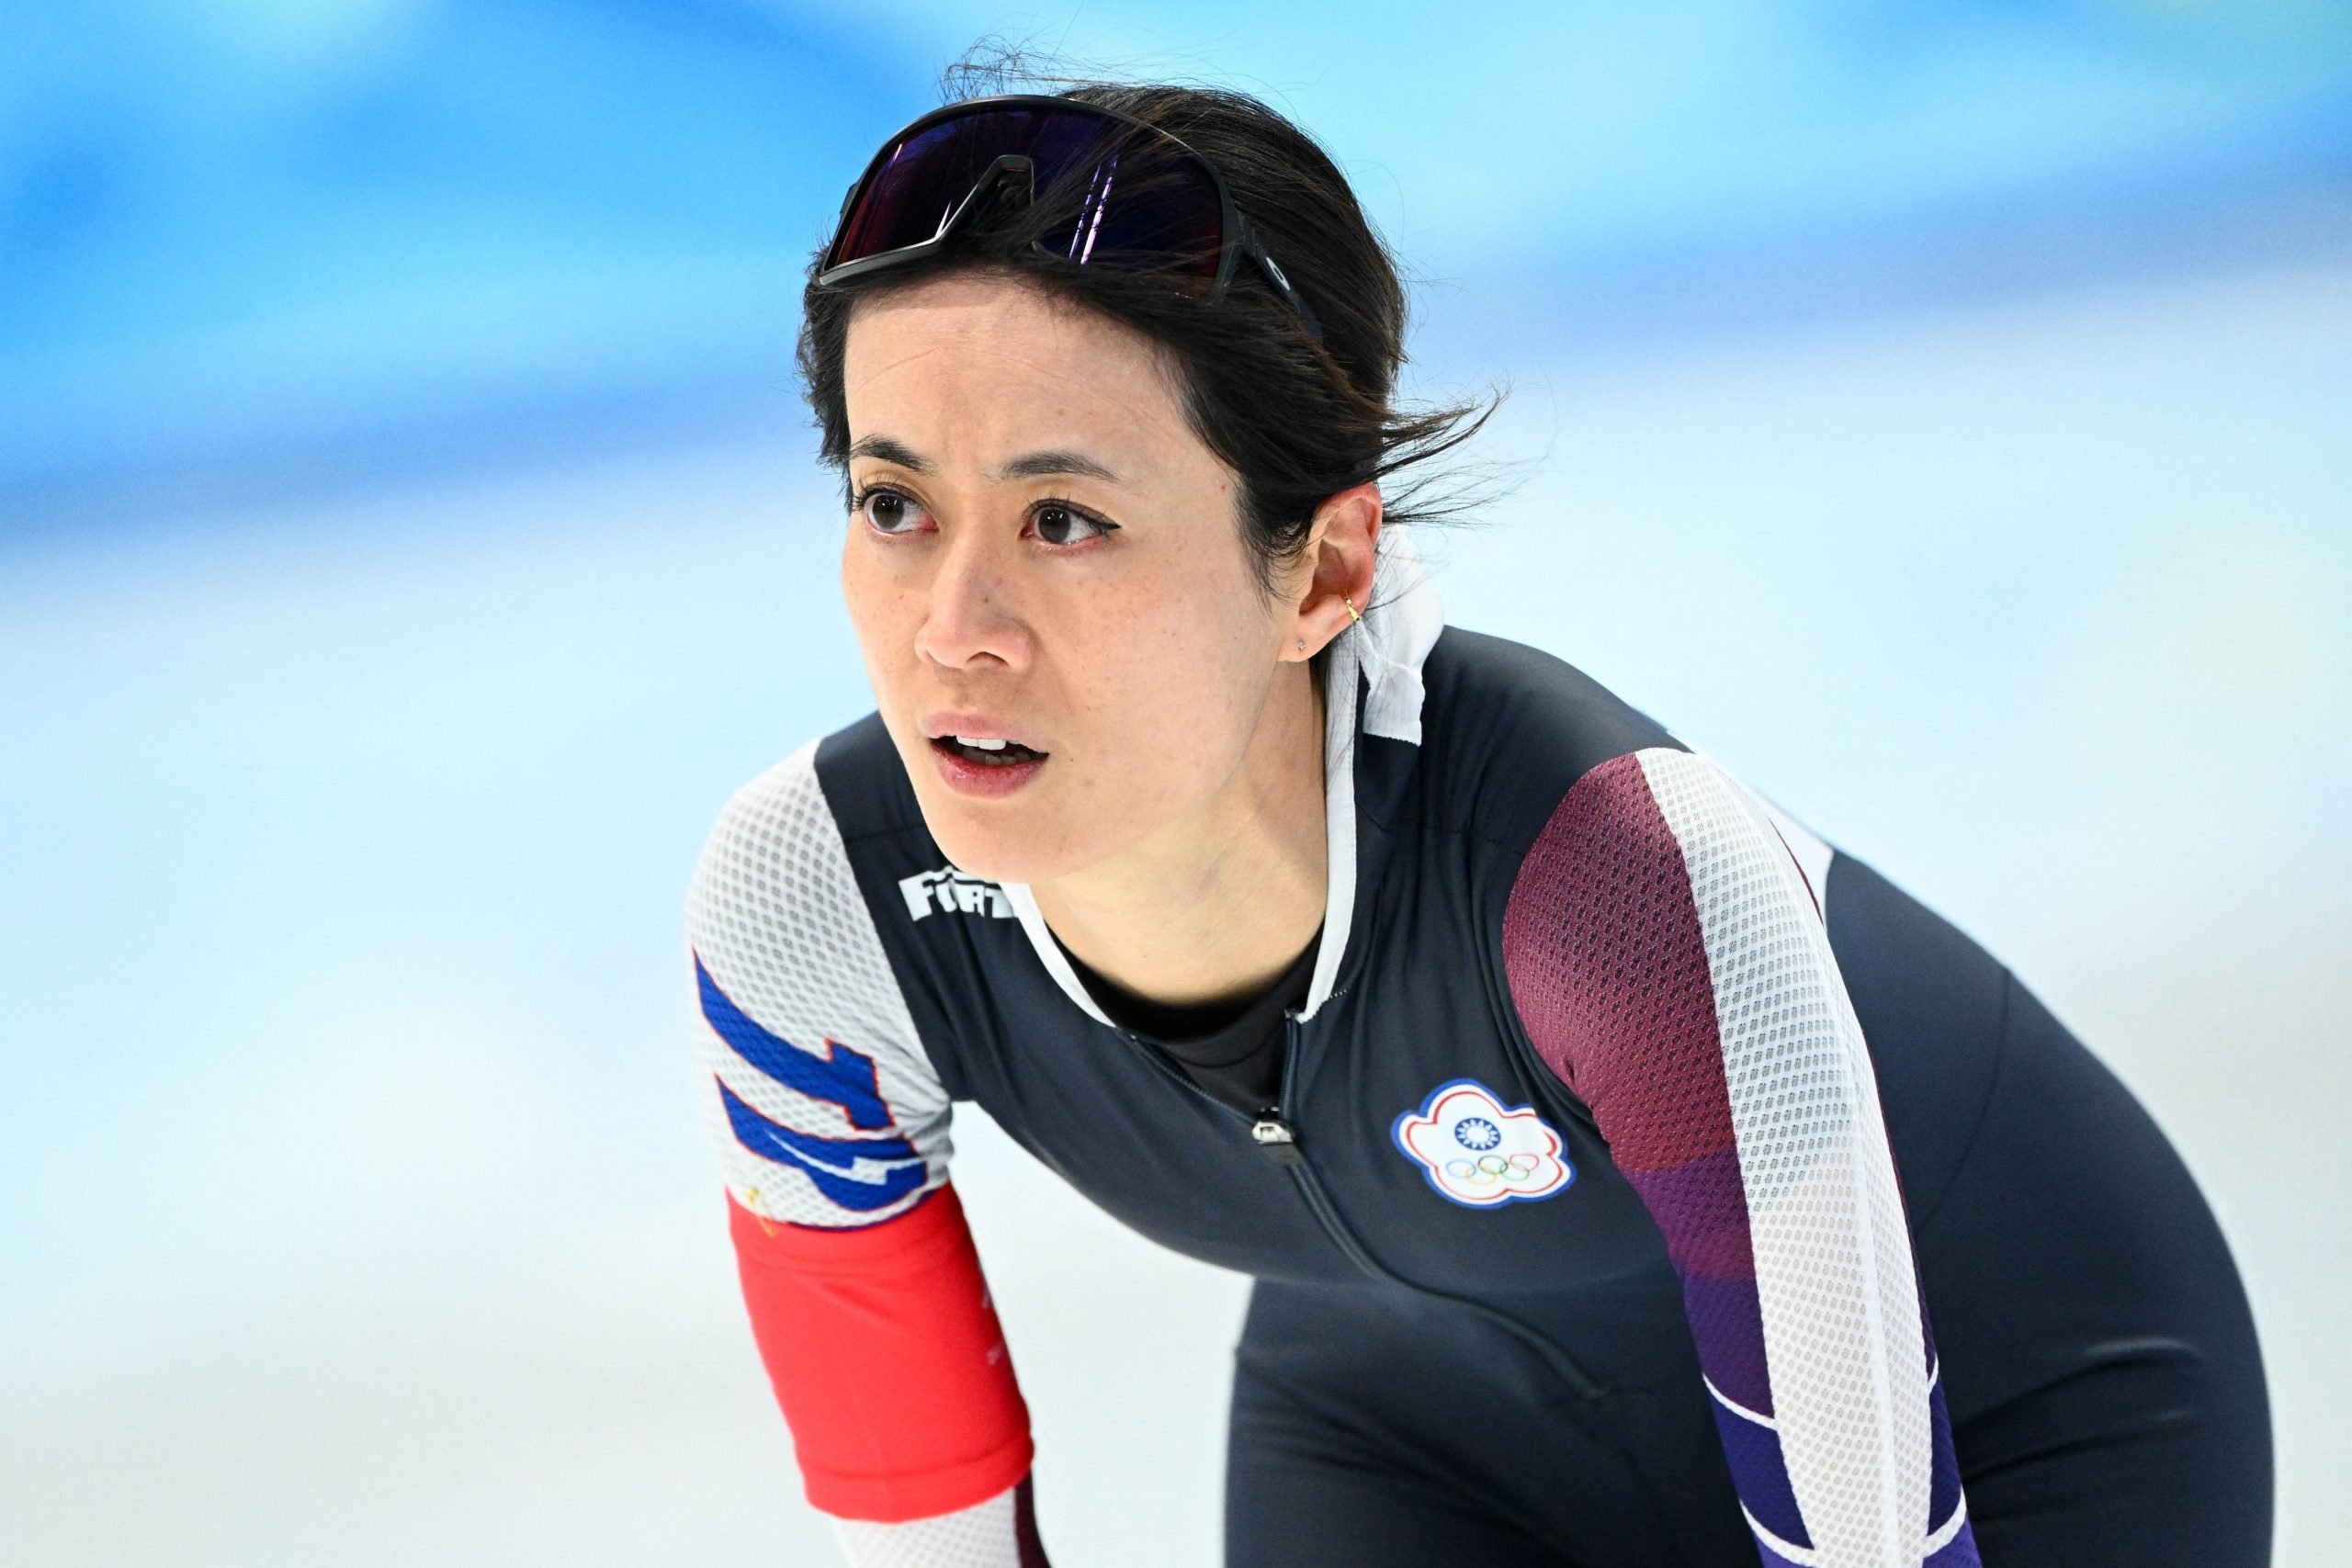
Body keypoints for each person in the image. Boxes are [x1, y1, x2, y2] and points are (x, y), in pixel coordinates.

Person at [682, 77, 2270, 1568]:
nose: (955, 624)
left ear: (1321, 571)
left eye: (1065, 520)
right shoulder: (815, 904)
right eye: (895, 506)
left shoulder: (1611, 887)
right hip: (1416, 1441)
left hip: (2010, 1408)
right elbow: (918, 1525)